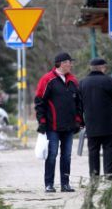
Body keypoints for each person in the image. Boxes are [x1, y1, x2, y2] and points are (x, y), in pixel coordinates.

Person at [34, 52, 83, 193]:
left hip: (69, 126)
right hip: (52, 126)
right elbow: (39, 102)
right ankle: (49, 184)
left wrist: (79, 121)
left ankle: (65, 184)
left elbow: (79, 103)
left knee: (66, 156)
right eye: (69, 62)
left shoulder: (73, 80)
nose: (71, 65)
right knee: (52, 155)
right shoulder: (47, 79)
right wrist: (42, 121)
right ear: (62, 63)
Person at [79, 57, 112, 179]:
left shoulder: (82, 83)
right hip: (108, 122)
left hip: (91, 122)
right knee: (109, 148)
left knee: (93, 150)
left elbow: (78, 103)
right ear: (102, 67)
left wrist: (81, 120)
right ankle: (109, 174)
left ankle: (94, 175)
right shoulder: (109, 81)